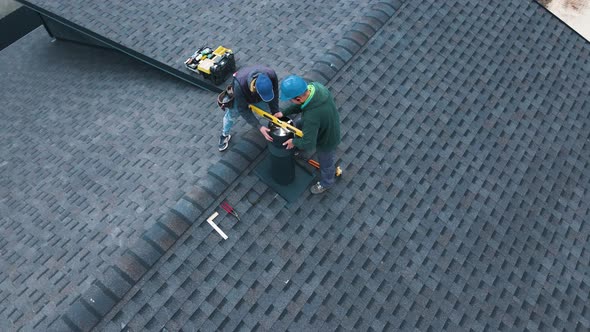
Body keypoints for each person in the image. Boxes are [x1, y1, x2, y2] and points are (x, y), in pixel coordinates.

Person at [274, 75, 341, 194]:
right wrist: (283, 113)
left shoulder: (312, 116)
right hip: (324, 120)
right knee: (299, 123)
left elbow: (309, 143)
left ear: (299, 98)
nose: (291, 101)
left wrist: (293, 142)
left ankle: (327, 182)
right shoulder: (316, 88)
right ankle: (298, 148)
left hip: (327, 138)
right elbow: (302, 106)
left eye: (291, 99)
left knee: (326, 163)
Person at [218, 65, 279, 151]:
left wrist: (276, 110)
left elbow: (275, 92)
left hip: (255, 96)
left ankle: (276, 125)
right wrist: (259, 126)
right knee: (231, 116)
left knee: (270, 112)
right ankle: (225, 134)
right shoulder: (239, 86)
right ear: (255, 88)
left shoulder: (271, 74)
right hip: (241, 94)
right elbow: (243, 110)